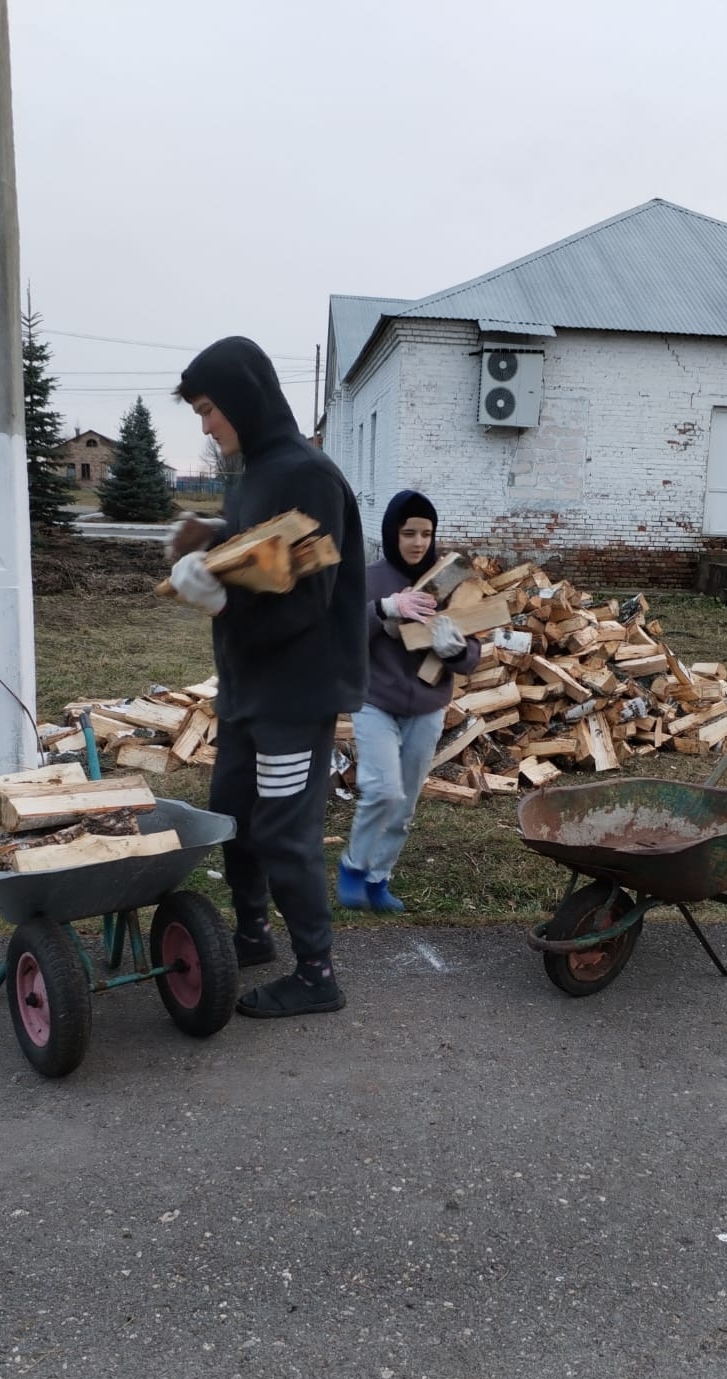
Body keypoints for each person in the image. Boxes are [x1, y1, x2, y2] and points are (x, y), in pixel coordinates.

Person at [167, 336, 367, 1018]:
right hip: (248, 690)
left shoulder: (307, 474)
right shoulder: (257, 471)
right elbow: (260, 538)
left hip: (293, 694)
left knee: (284, 829)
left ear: (244, 401)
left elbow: (306, 595)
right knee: (234, 817)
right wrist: (212, 535)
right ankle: (252, 933)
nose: (205, 424)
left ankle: (316, 973)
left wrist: (221, 597)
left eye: (208, 409)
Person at [338, 490, 481, 913]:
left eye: (426, 533)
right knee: (382, 789)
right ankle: (353, 866)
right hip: (375, 701)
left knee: (403, 805)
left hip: (428, 705)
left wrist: (456, 650)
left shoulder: (450, 581)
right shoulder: (369, 578)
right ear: (391, 533)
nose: (418, 542)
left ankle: (379, 879)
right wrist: (384, 610)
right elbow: (341, 636)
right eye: (408, 533)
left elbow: (473, 654)